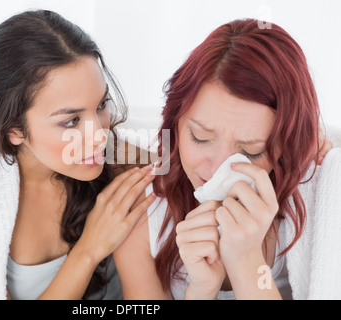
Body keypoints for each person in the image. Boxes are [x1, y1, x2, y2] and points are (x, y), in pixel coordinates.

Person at [0, 10, 157, 300]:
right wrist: (89, 249)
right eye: (70, 121)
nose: (99, 136)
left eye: (101, 104)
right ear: (13, 130)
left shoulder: (120, 160)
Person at [114, 18, 340, 300]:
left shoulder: (320, 198)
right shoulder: (143, 213)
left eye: (251, 151)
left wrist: (247, 262)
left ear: (287, 145)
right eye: (200, 137)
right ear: (175, 121)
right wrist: (200, 290)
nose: (219, 168)